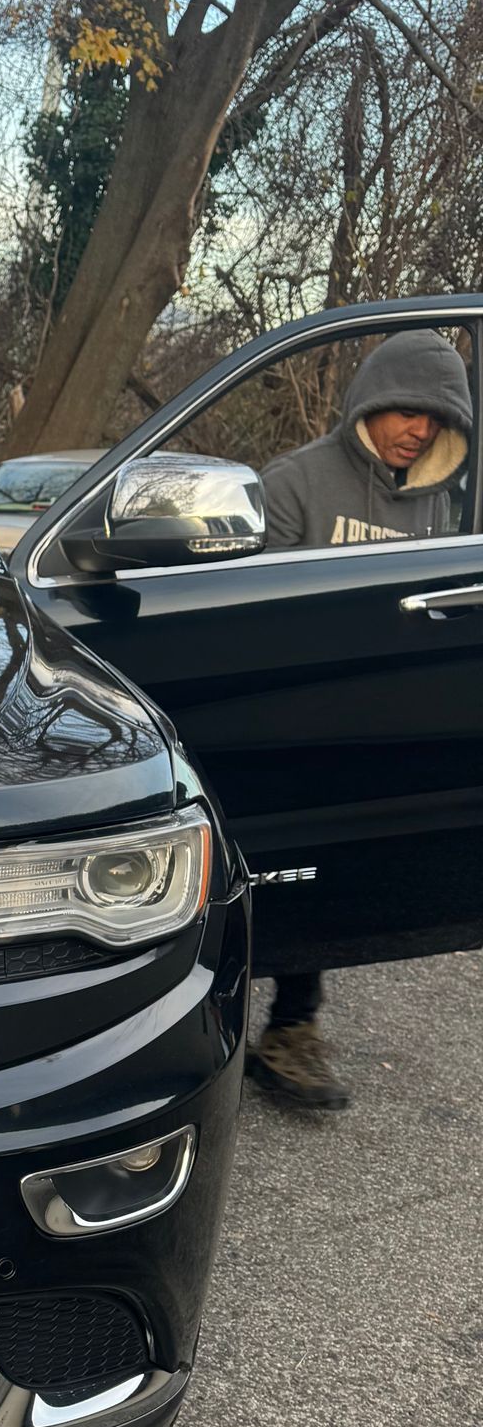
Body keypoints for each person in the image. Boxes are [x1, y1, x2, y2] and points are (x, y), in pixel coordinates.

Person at [247, 329, 472, 1111]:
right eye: (410, 410)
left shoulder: (441, 502)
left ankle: (289, 1030)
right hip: (287, 723)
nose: (422, 430)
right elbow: (249, 613)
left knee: (339, 883)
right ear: (374, 401)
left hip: (382, 720)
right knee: (262, 875)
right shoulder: (293, 482)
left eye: (438, 420)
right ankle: (215, 1027)